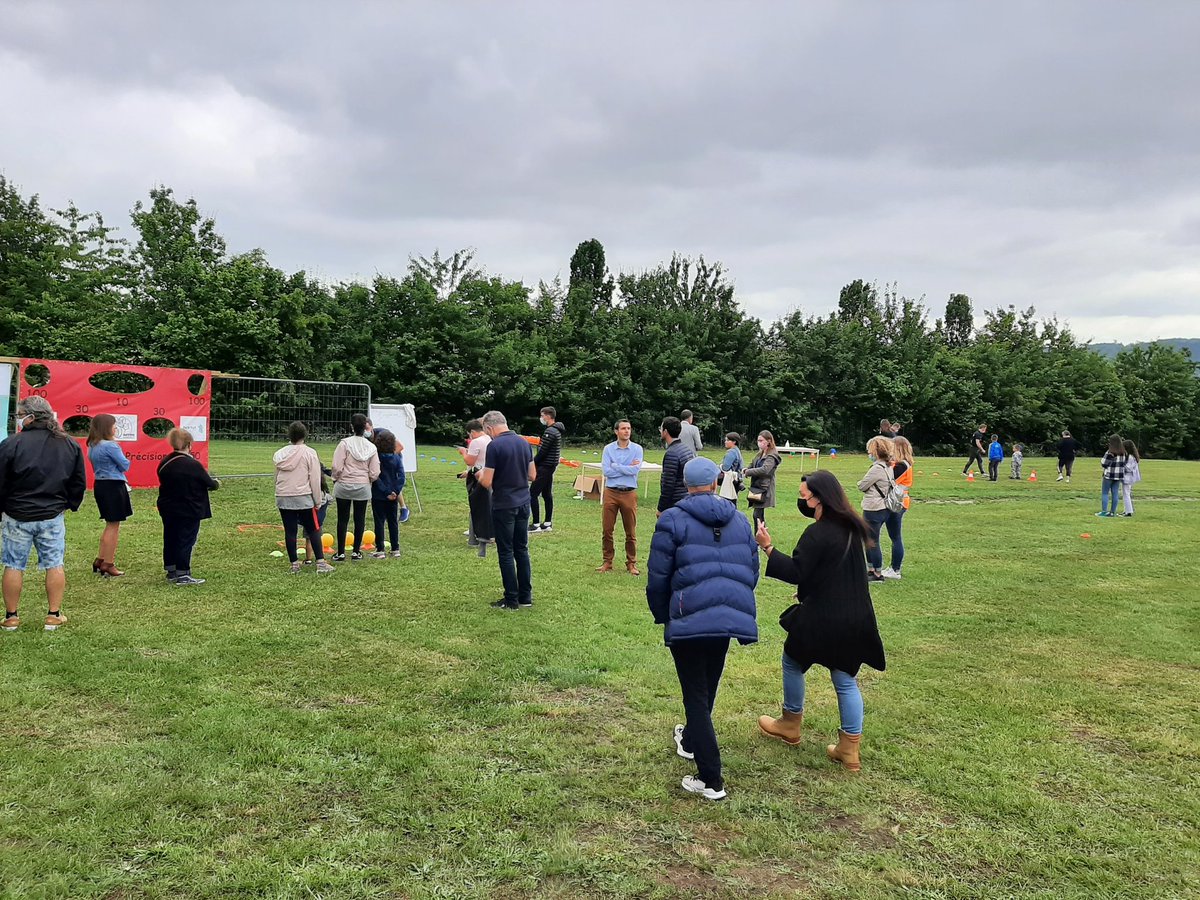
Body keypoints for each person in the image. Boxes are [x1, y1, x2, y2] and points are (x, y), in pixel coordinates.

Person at [754, 470, 886, 772]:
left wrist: (767, 546)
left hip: (823, 618)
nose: (803, 502)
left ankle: (790, 723)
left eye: (805, 497)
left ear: (820, 498)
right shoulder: (852, 527)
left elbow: (797, 572)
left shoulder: (818, 532)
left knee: (792, 662)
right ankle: (849, 749)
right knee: (845, 679)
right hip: (856, 617)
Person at [647, 457, 758, 801]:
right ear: (715, 482)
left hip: (690, 616)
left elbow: (657, 578)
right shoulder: (740, 520)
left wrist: (663, 613)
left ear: (685, 484)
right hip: (723, 617)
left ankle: (711, 779)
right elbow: (751, 570)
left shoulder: (672, 519)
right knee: (706, 686)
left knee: (696, 693)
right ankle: (692, 740)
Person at [0, 396, 86, 631]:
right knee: (54, 563)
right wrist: (70, 504)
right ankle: (53, 614)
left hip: (16, 515)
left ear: (30, 416)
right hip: (51, 514)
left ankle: (11, 616)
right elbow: (78, 481)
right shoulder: (68, 444)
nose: (18, 419)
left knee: (13, 564)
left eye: (19, 415)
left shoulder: (11, 444)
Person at [477, 411, 535, 610]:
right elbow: (532, 475)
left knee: (506, 552)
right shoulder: (524, 443)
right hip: (523, 502)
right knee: (522, 549)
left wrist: (478, 475)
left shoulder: (495, 446)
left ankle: (511, 599)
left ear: (489, 428)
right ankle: (525, 597)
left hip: (504, 504)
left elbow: (487, 481)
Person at [157, 427, 219, 586]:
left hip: (168, 507)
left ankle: (171, 570)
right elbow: (209, 483)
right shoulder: (192, 464)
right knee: (186, 539)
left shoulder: (165, 462)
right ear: (189, 444)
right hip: (188, 509)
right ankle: (183, 573)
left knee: (170, 537)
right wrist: (216, 483)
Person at [273, 421, 335, 575]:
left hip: (283, 495)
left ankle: (294, 565)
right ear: (305, 435)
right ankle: (320, 562)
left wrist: (280, 490)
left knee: (290, 531)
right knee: (314, 528)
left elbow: (277, 476)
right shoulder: (310, 453)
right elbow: (314, 478)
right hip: (304, 496)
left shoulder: (280, 454)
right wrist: (317, 500)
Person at [86, 413, 132, 577]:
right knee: (114, 526)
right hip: (113, 485)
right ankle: (108, 563)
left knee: (109, 523)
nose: (116, 427)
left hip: (101, 484)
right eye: (114, 425)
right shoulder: (110, 446)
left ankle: (100, 558)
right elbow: (124, 464)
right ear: (107, 427)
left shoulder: (92, 445)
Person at [331, 413, 380, 561]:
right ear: (366, 427)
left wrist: (335, 478)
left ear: (351, 426)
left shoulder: (344, 444)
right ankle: (356, 552)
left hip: (344, 484)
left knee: (342, 518)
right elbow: (375, 471)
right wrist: (369, 480)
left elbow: (337, 466)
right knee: (360, 518)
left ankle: (340, 552)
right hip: (362, 485)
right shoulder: (371, 447)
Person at [597, 419, 643, 575]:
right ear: (616, 431)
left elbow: (635, 470)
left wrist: (616, 466)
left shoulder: (637, 449)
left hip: (629, 493)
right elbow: (607, 472)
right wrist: (625, 468)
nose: (627, 431)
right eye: (623, 428)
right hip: (611, 492)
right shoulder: (608, 449)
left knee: (630, 531)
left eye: (629, 428)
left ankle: (631, 563)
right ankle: (607, 561)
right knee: (607, 529)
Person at [856, 435, 895, 584]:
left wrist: (860, 482)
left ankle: (877, 572)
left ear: (876, 452)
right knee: (869, 540)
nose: (868, 454)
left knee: (872, 541)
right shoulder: (887, 466)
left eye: (870, 451)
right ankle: (871, 569)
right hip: (883, 508)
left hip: (873, 508)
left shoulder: (876, 468)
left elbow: (862, 485)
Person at [457, 418, 493, 554]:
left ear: (472, 431)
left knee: (475, 507)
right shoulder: (489, 439)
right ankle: (487, 535)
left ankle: (474, 538)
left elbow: (470, 460)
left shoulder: (476, 442)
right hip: (488, 474)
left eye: (469, 434)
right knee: (486, 506)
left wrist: (463, 452)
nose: (469, 437)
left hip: (477, 476)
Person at [880, 435, 913, 581]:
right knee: (894, 536)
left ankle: (895, 569)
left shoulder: (901, 465)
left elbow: (888, 479)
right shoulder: (900, 464)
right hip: (898, 502)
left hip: (897, 503)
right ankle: (893, 567)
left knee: (895, 537)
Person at [529, 406, 565, 534]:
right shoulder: (556, 430)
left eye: (542, 415)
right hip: (550, 466)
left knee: (532, 493)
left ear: (548, 416)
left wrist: (533, 463)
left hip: (545, 466)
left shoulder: (550, 431)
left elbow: (543, 451)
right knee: (546, 494)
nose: (541, 418)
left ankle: (536, 524)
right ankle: (548, 523)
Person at [370, 429, 404, 559]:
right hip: (393, 495)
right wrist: (395, 491)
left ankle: (380, 549)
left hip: (379, 494)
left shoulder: (376, 457)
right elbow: (401, 475)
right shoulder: (396, 457)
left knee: (379, 521)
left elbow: (375, 476)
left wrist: (386, 491)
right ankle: (395, 548)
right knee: (392, 521)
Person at [658, 417, 696, 517]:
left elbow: (668, 484)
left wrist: (661, 508)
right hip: (686, 497)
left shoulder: (672, 453)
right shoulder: (686, 449)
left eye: (661, 428)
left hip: (675, 502)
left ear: (665, 431)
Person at [744, 430, 782, 527]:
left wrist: (748, 472)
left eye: (761, 440)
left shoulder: (772, 455)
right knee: (758, 515)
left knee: (757, 515)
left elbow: (765, 470)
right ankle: (760, 537)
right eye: (758, 440)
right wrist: (747, 468)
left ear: (769, 441)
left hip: (765, 488)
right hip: (757, 487)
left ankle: (759, 538)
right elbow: (753, 463)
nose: (759, 443)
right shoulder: (760, 453)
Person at [1097, 434, 1126, 518]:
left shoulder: (1110, 452)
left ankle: (1104, 511)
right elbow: (1124, 463)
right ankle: (1112, 512)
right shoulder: (1123, 452)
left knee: (1105, 493)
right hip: (1118, 475)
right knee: (1115, 493)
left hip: (1109, 475)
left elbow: (1103, 463)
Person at [717, 432, 744, 502]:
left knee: (728, 501)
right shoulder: (737, 450)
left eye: (727, 440)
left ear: (734, 442)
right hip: (737, 479)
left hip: (730, 480)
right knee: (733, 500)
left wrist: (719, 466)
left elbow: (725, 468)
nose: (725, 442)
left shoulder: (731, 452)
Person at [1120, 439, 1141, 517]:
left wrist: (1121, 465)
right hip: (1128, 478)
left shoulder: (1130, 457)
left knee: (1126, 494)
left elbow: (1129, 468)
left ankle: (1128, 512)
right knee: (1126, 493)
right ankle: (1126, 510)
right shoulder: (1131, 456)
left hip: (1128, 478)